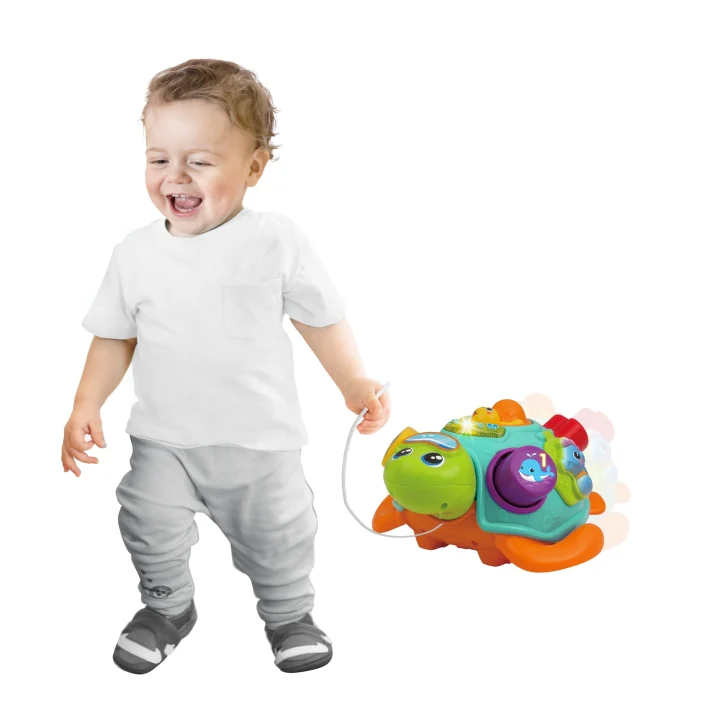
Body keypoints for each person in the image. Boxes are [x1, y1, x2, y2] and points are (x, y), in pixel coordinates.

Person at [61, 58, 391, 675]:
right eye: (159, 159)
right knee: (146, 521)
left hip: (259, 444)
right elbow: (114, 335)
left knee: (280, 537)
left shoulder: (274, 241)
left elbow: (320, 317)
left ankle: (289, 614)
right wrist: (87, 402)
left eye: (200, 161)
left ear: (254, 168)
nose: (175, 176)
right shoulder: (135, 253)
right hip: (165, 440)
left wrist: (352, 381)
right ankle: (167, 608)